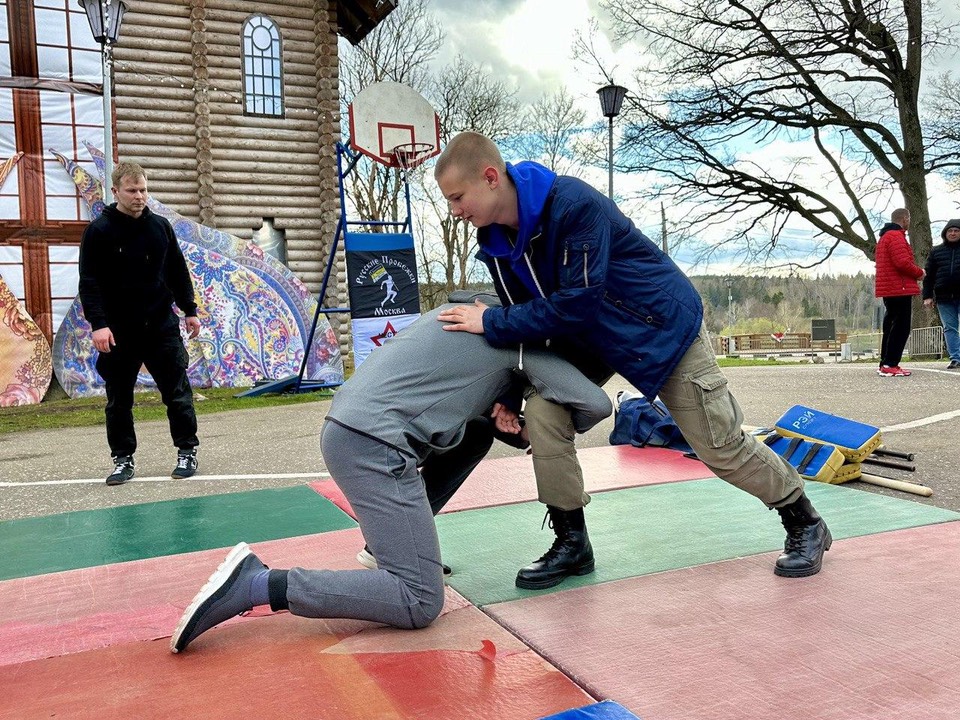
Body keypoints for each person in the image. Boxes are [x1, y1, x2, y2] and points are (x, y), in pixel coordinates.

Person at [433, 131, 832, 582]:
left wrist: (489, 321)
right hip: (586, 340)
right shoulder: (494, 243)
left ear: (490, 177)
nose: (455, 211)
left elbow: (575, 304)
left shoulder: (572, 205)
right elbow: (527, 323)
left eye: (457, 197)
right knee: (544, 414)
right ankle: (572, 543)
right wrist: (510, 395)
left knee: (718, 445)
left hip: (657, 329)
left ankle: (804, 520)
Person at [170, 299, 611, 653]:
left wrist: (507, 409)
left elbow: (454, 396)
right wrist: (543, 417)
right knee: (419, 600)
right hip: (376, 448)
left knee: (475, 434)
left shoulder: (454, 312)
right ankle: (257, 584)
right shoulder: (521, 342)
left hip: (348, 429)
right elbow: (595, 404)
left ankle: (387, 547)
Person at [78, 162, 201, 485]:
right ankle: (122, 459)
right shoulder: (99, 232)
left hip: (161, 326)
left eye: (143, 190)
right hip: (118, 331)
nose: (139, 196)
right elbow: (89, 282)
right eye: (132, 190)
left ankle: (187, 451)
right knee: (119, 400)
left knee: (177, 394)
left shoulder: (160, 227)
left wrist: (189, 310)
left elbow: (177, 271)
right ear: (115, 191)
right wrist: (98, 324)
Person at [874, 208, 924, 377]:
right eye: (908, 219)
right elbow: (902, 262)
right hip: (899, 288)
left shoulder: (885, 237)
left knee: (891, 325)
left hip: (889, 288)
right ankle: (891, 363)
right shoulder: (896, 236)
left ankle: (885, 362)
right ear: (905, 219)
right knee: (901, 327)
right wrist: (920, 273)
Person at [922, 219, 960, 369]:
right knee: (949, 328)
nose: (953, 233)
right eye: (950, 231)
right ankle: (956, 358)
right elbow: (928, 276)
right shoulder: (936, 251)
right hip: (944, 297)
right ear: (945, 233)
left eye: (956, 231)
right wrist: (927, 296)